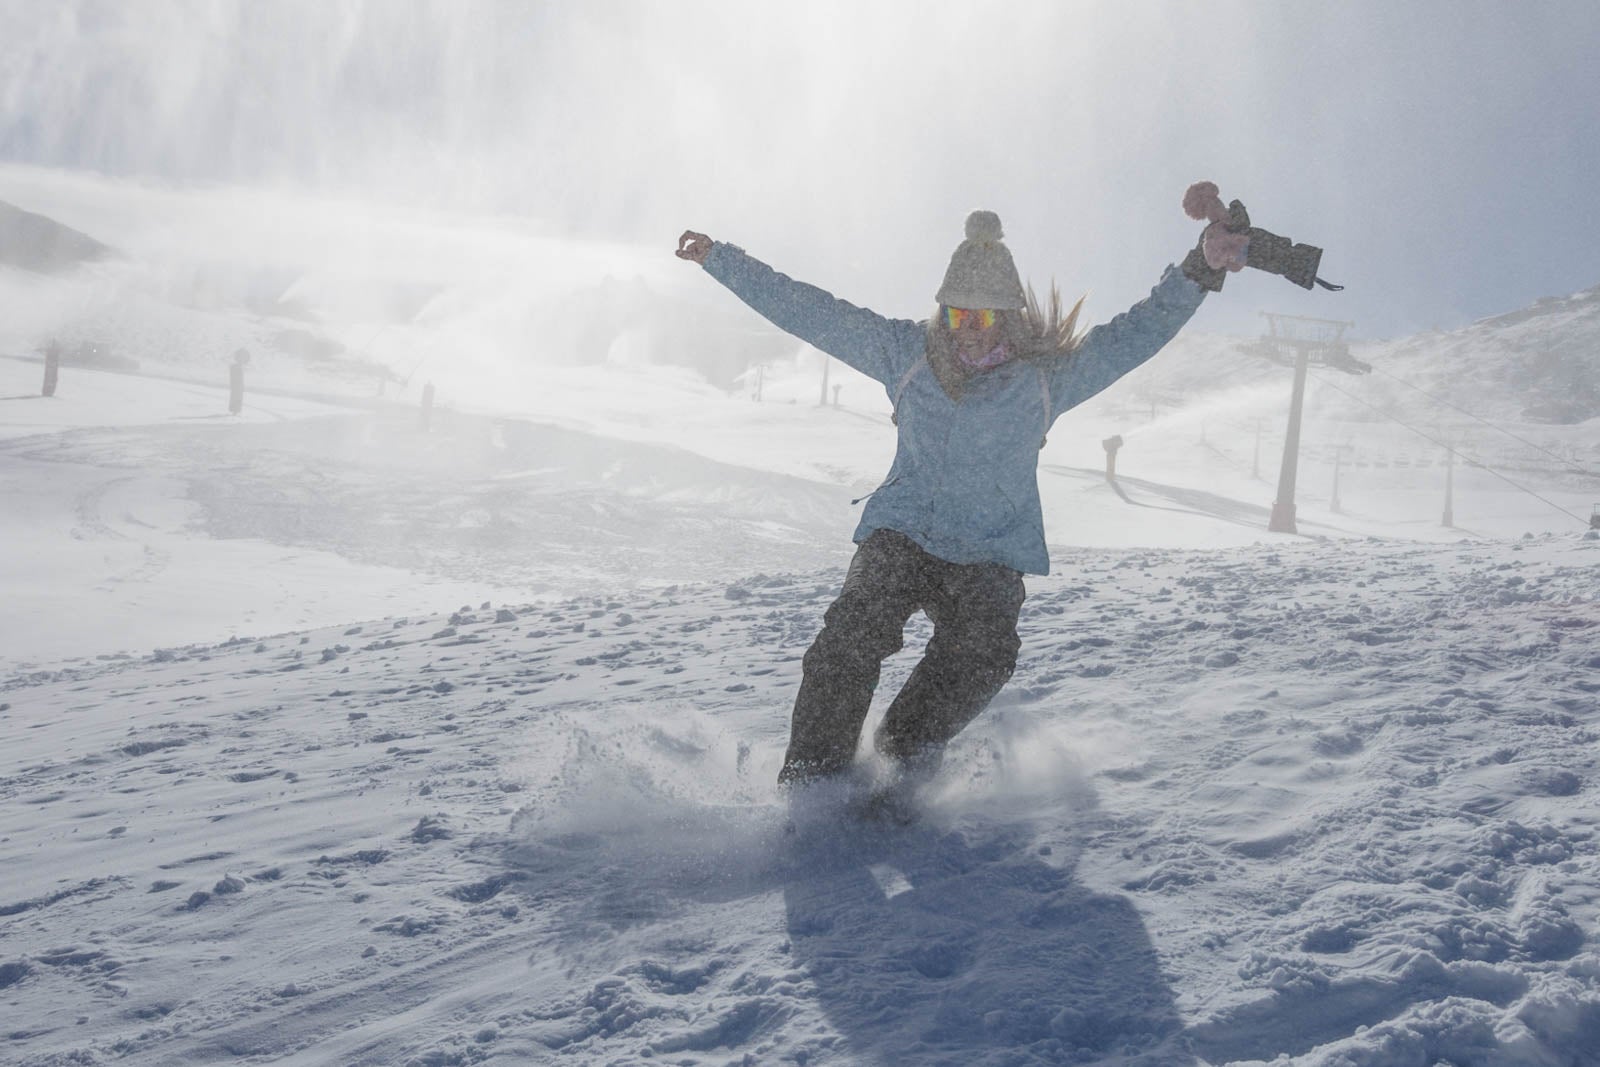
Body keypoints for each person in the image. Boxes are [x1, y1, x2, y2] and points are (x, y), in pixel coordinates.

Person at [676, 185, 1287, 793]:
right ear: (944, 311)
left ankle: (901, 753)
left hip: (989, 551)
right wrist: (723, 261)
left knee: (984, 656)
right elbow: (811, 310)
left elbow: (1137, 332)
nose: (973, 330)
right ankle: (815, 783)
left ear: (1012, 317)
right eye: (961, 315)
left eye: (989, 316)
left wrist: (1199, 270)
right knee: (849, 639)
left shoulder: (1046, 380)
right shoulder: (903, 352)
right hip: (904, 532)